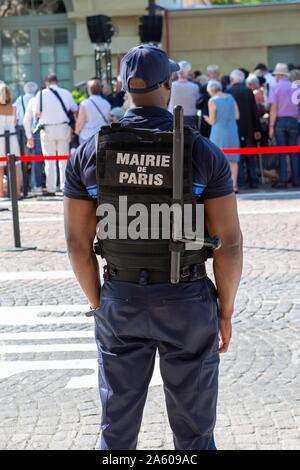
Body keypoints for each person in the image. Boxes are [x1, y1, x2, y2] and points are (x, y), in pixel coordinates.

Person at [64, 44, 243, 451]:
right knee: (195, 435)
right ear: (168, 86)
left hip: (121, 295)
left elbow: (77, 244)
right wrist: (226, 311)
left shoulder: (90, 152)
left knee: (116, 434)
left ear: (124, 87)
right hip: (186, 296)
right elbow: (229, 243)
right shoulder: (201, 150)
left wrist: (99, 303)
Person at [34, 74, 78, 196]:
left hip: (47, 128)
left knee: (49, 160)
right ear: (56, 82)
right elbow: (74, 108)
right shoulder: (65, 92)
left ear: (47, 83)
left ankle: (51, 188)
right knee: (64, 159)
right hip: (63, 127)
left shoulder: (41, 94)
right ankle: (65, 186)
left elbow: (37, 113)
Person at [228, 69, 261, 189]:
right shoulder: (248, 91)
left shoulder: (229, 91)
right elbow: (254, 111)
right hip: (248, 129)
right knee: (250, 156)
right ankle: (254, 181)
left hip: (234, 129)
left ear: (232, 80)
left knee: (238, 158)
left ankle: (240, 182)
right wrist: (257, 129)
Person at [204, 80, 240, 192]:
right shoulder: (230, 97)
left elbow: (212, 121)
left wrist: (204, 118)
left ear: (210, 90)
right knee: (233, 159)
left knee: (217, 158)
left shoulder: (212, 100)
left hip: (218, 131)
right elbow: (237, 116)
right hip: (232, 130)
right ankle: (234, 185)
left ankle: (220, 185)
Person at [268, 63, 300, 188]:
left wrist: (271, 126)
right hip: (293, 121)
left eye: (276, 75)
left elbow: (273, 108)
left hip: (280, 121)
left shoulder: (274, 87)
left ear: (279, 75)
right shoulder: (296, 87)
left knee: (281, 151)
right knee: (294, 151)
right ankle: (296, 180)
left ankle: (283, 179)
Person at [0, 82, 21, 198]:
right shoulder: (13, 107)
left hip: (0, 138)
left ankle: (1, 192)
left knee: (0, 166)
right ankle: (17, 191)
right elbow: (14, 123)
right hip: (12, 137)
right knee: (15, 165)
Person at [75, 79, 111, 144]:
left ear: (89, 89)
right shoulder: (107, 104)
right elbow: (108, 121)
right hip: (102, 136)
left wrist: (77, 132)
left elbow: (80, 122)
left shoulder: (84, 104)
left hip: (87, 136)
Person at [168, 60, 200, 127]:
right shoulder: (195, 87)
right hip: (190, 116)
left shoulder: (171, 85)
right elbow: (197, 100)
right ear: (188, 72)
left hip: (173, 115)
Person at [23, 94, 44, 193]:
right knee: (56, 160)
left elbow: (26, 120)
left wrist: (29, 136)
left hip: (38, 132)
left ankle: (38, 185)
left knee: (38, 161)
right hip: (55, 129)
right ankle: (56, 185)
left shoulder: (33, 100)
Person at [198, 65, 221, 137]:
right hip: (211, 116)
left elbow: (198, 104)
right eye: (212, 73)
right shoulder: (223, 86)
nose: (213, 75)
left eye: (215, 72)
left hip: (212, 115)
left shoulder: (204, 87)